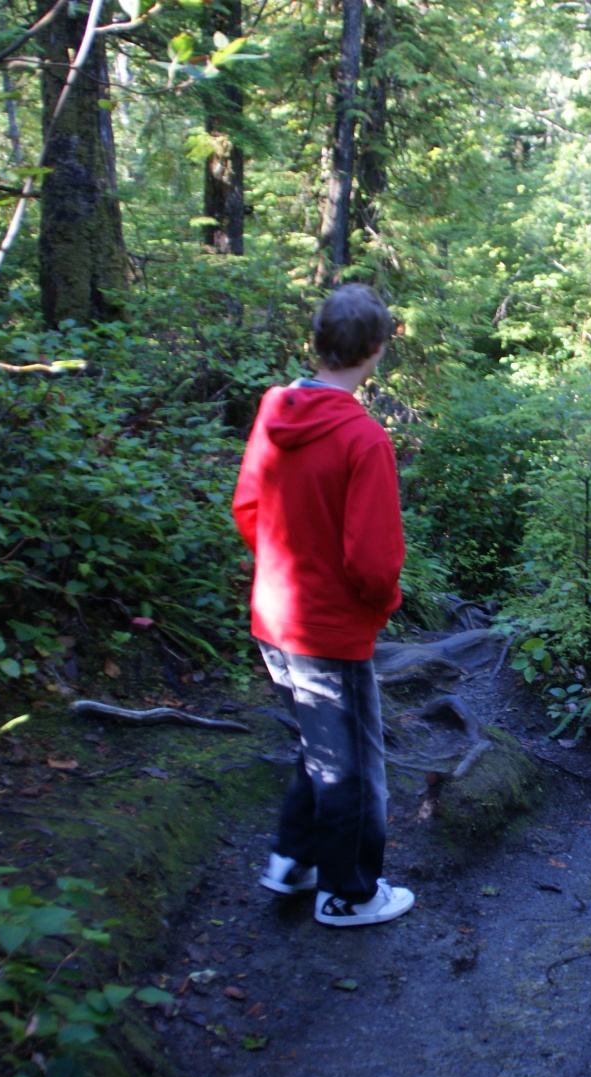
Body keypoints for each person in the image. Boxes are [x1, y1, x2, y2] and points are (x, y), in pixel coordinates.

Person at [232, 283, 414, 928]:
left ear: (317, 344)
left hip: (275, 617)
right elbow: (373, 561)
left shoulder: (275, 409)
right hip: (329, 631)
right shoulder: (363, 439)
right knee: (353, 766)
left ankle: (293, 859)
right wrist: (379, 605)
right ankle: (349, 894)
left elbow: (248, 508)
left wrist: (284, 572)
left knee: (320, 744)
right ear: (377, 349)